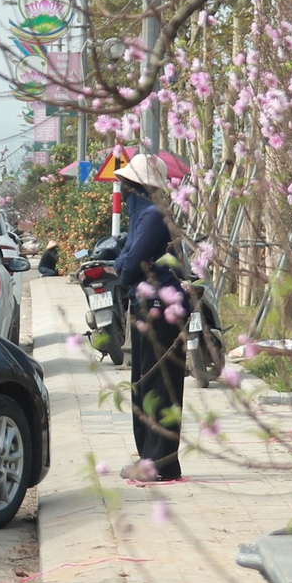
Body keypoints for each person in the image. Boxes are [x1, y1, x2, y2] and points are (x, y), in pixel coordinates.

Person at [112, 153, 187, 482]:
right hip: (147, 304)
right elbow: (125, 256)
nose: (122, 189)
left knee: (159, 384)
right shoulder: (143, 214)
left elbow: (130, 262)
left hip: (161, 309)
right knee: (144, 384)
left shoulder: (153, 214)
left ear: (137, 186)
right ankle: (152, 460)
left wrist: (123, 268)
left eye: (126, 184)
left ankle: (159, 464)